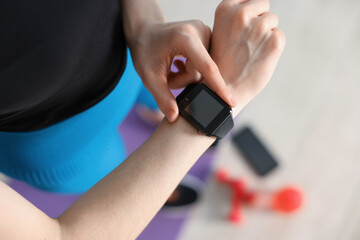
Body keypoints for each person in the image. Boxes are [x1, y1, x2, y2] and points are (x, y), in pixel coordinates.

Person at [0, 0, 285, 239]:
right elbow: (64, 236)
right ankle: (160, 187)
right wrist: (219, 103)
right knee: (116, 165)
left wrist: (144, 25)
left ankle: (168, 135)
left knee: (170, 89)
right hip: (57, 144)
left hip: (131, 52)